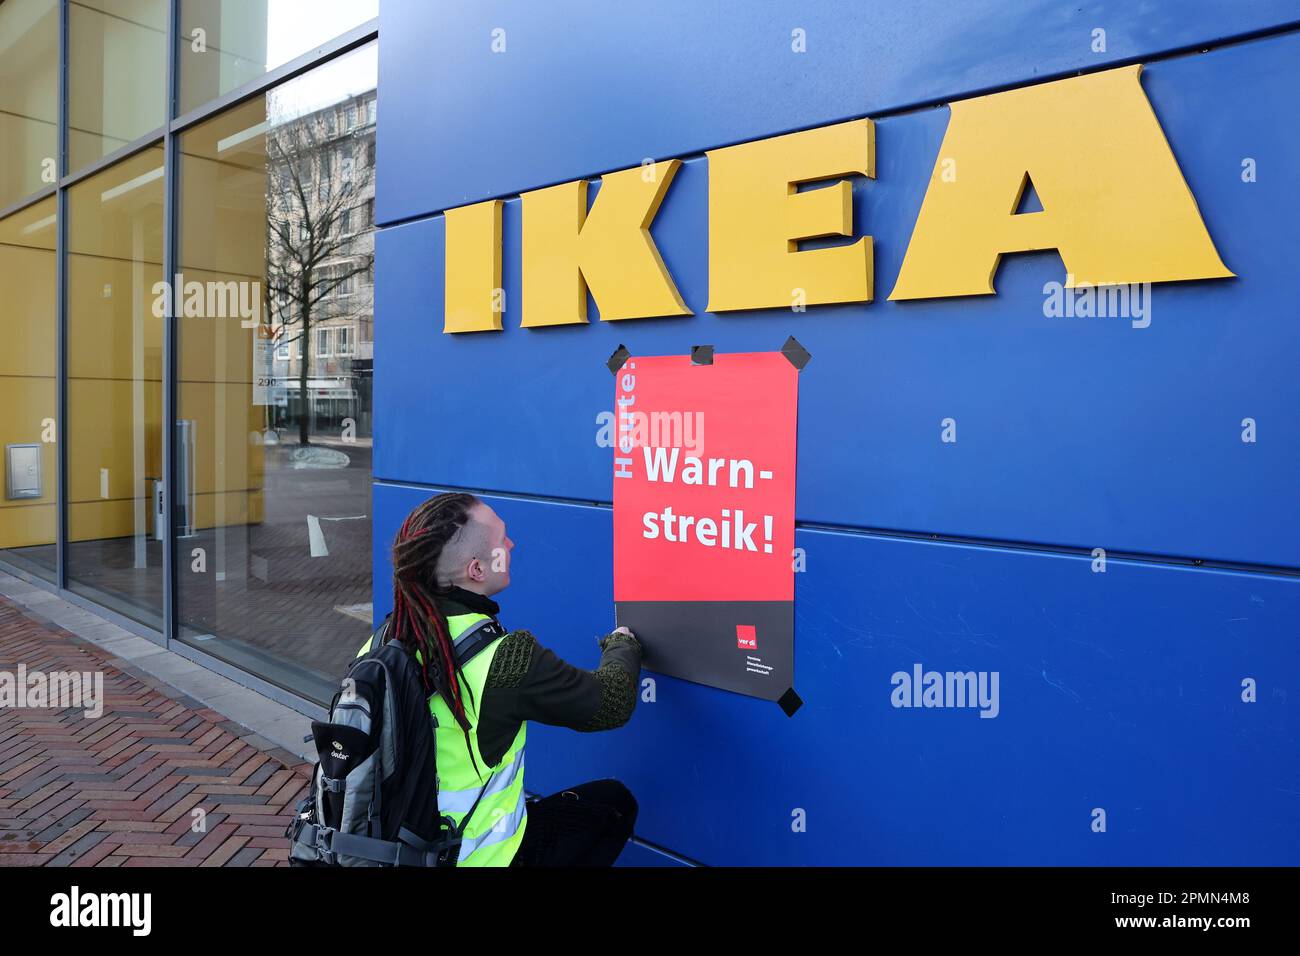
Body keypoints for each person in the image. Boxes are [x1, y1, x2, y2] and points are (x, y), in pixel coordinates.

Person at [357, 491, 643, 867]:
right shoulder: (506, 658)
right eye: (501, 539)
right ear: (476, 569)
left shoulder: (382, 641)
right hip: (475, 859)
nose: (511, 544)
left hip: (397, 852)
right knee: (613, 805)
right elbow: (610, 704)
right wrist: (623, 645)